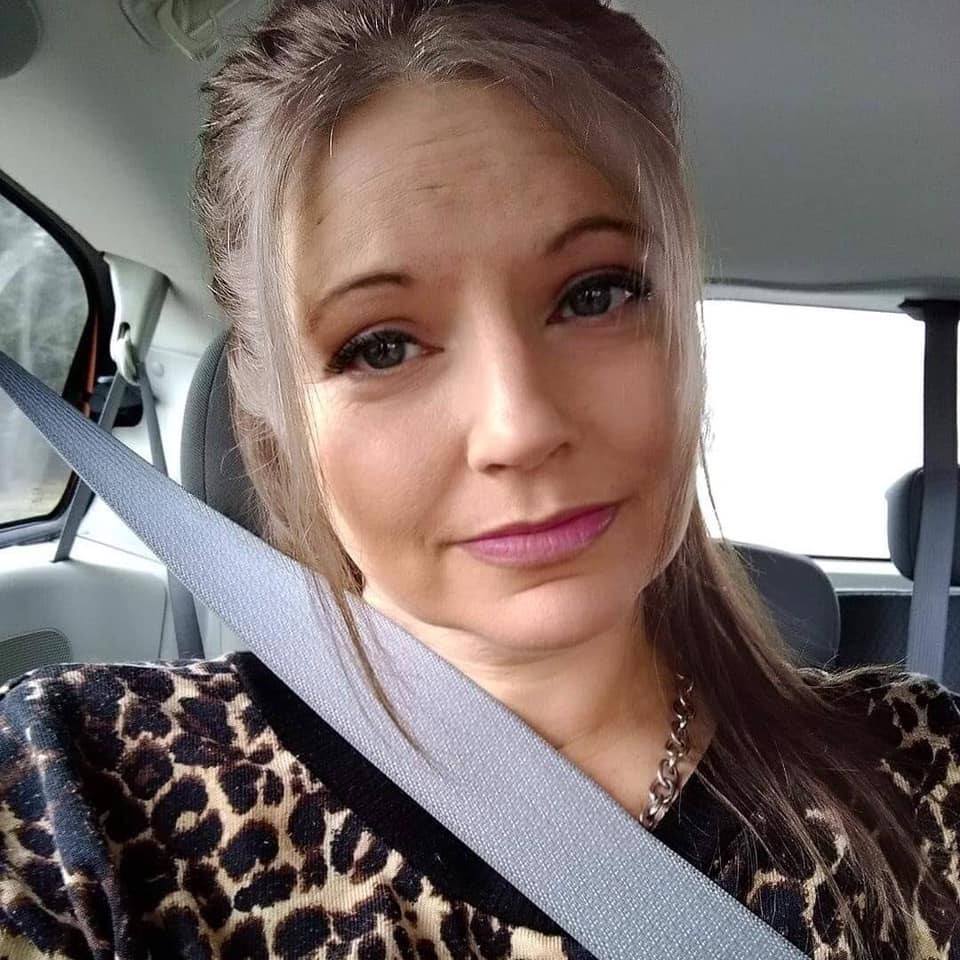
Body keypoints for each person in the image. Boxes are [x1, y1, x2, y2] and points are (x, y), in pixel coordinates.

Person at [1, 1, 958, 958]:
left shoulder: (919, 779)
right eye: (381, 346)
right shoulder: (83, 788)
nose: (519, 427)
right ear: (273, 408)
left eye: (596, 294)